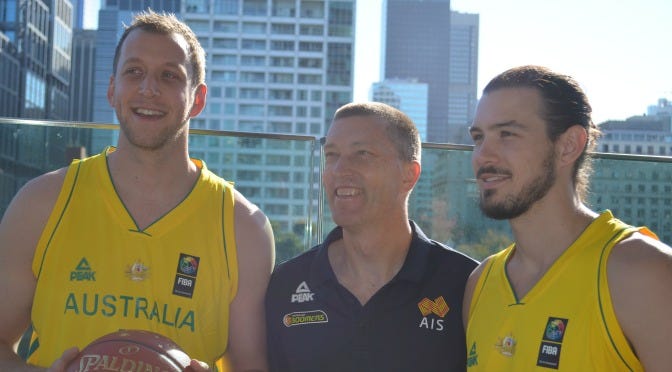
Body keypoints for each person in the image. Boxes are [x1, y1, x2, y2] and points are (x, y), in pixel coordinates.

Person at [0, 10, 274, 372]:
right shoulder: (42, 202)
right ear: (112, 88)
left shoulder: (244, 228)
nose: (149, 88)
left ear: (197, 98)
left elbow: (251, 366)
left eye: (169, 75)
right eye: (134, 72)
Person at [463, 65, 672, 371]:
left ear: (569, 145)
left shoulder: (642, 272)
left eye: (507, 134)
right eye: (478, 137)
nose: (483, 155)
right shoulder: (480, 284)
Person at [265, 102, 478, 372]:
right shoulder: (285, 285)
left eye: (362, 154)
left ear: (408, 175)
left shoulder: (465, 284)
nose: (339, 169)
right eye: (331, 155)